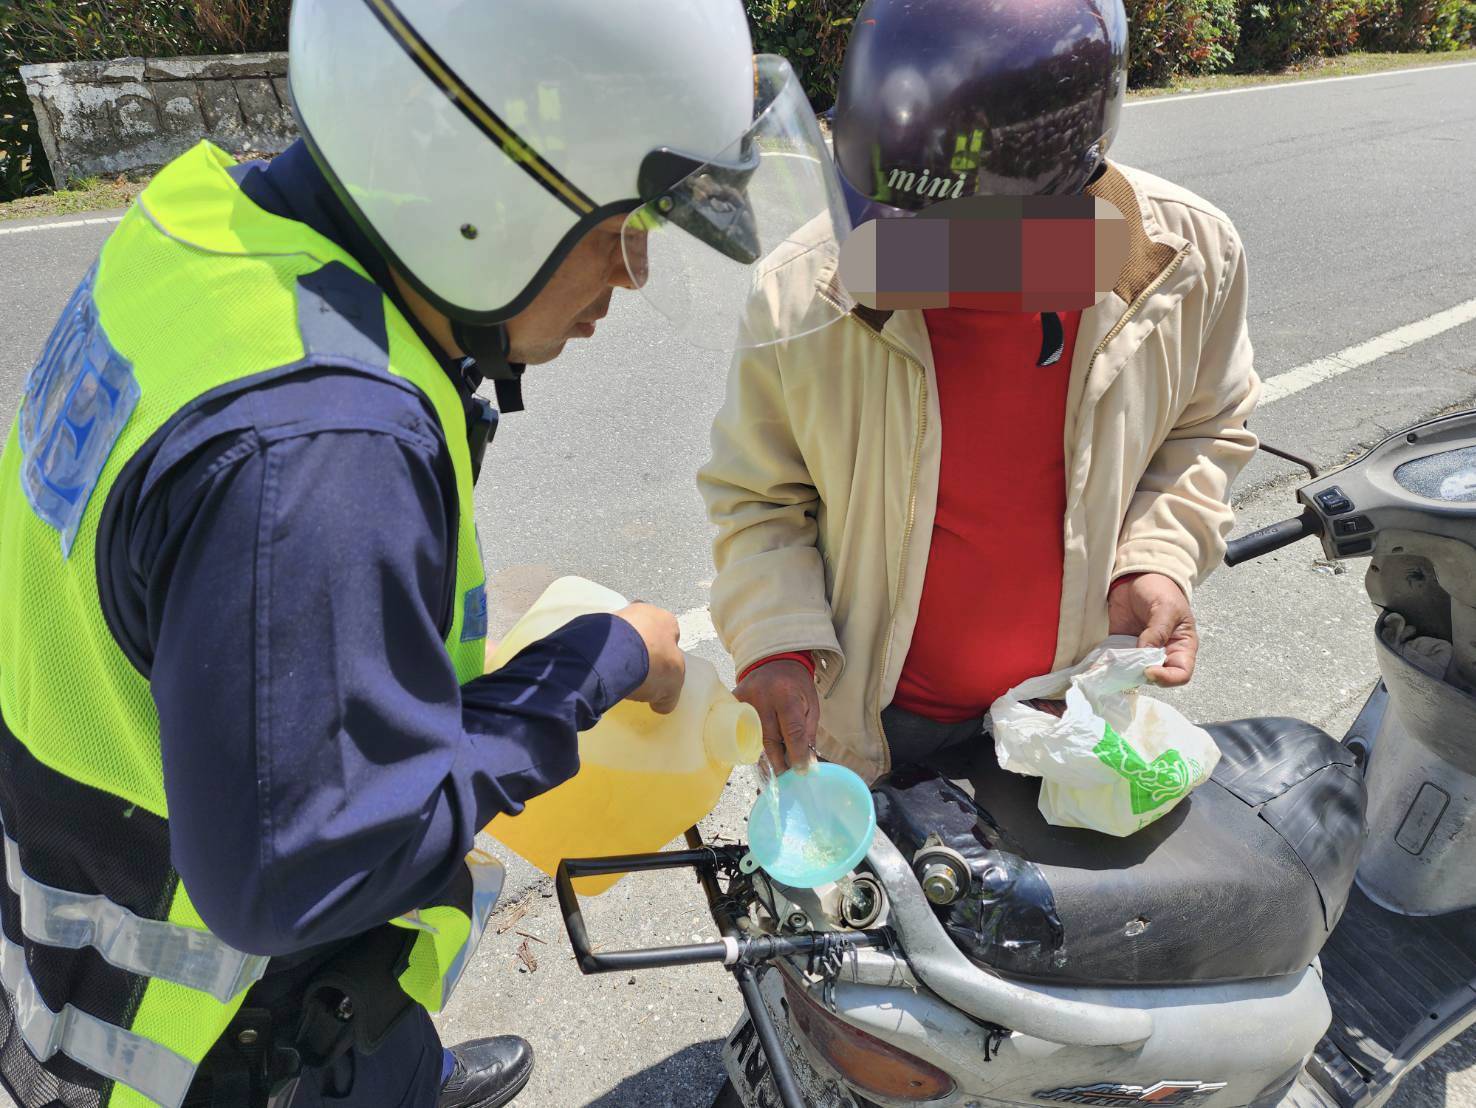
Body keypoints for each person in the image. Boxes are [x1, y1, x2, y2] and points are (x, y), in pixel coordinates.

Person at [0, 1, 849, 1106]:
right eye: (616, 227)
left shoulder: (212, 226)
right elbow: (306, 869)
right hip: (217, 1044)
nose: (631, 274)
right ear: (481, 194)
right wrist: (600, 662)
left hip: (98, 897)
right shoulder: (321, 452)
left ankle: (403, 1063)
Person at [699, 0, 1262, 782]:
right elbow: (758, 496)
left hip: (1068, 714)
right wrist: (778, 642)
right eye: (882, 216)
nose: (892, 253)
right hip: (869, 729)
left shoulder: (1183, 259)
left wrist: (1156, 560)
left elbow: (1208, 428)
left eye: (942, 236)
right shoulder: (808, 289)